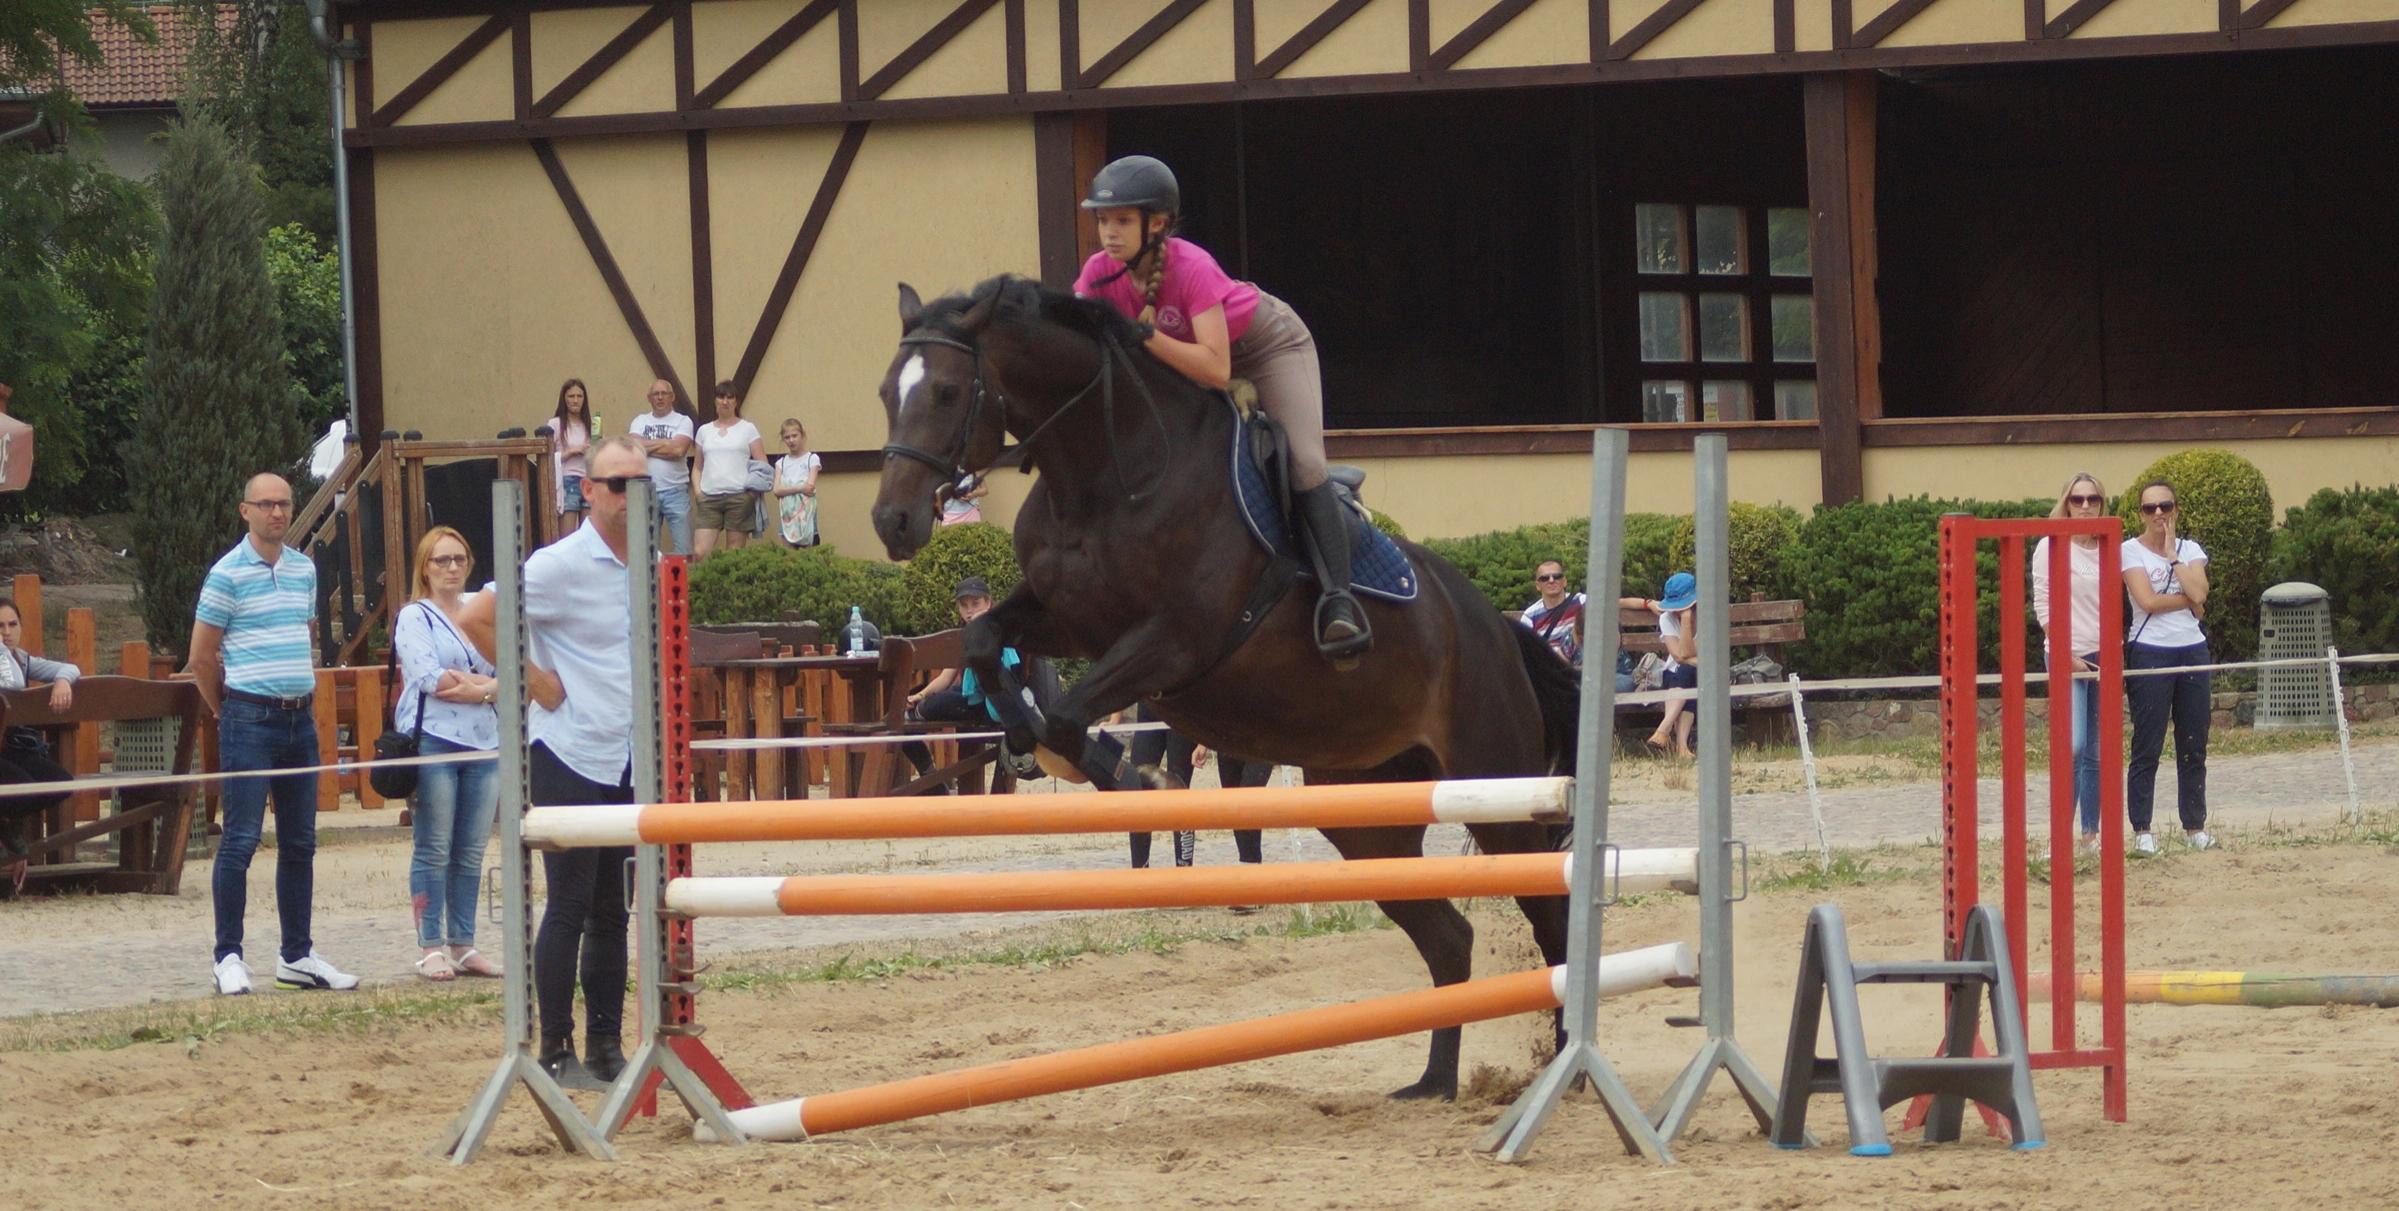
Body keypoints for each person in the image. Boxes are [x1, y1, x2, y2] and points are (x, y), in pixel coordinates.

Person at [1074, 154, 1369, 667]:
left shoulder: (1191, 265)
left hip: (1268, 347)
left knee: (1303, 462)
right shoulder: (1098, 272)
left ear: (1157, 223)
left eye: (1121, 220)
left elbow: (1214, 368)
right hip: (1179, 360)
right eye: (1102, 220)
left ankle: (1338, 603)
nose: (1108, 233)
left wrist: (1143, 336)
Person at [461, 435, 646, 1088]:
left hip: (626, 756)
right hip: (566, 750)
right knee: (568, 902)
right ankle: (555, 1048)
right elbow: (477, 617)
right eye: (618, 484)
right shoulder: (559, 563)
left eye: (641, 484)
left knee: (613, 909)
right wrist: (534, 679)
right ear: (588, 491)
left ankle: (606, 1046)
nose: (630, 496)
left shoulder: (650, 562)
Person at [188, 473, 359, 995]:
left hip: (299, 718)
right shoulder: (226, 575)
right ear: (246, 511)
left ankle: (297, 955)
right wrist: (226, 709)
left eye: (284, 504)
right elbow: (201, 657)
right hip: (249, 716)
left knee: (300, 841)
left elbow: (302, 631)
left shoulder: (304, 569)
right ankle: (228, 956)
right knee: (241, 839)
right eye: (265, 504)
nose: (277, 513)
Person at [394, 527, 503, 981]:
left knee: (471, 848)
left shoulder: (482, 609)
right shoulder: (414, 616)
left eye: (459, 559)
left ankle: (464, 942)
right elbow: (428, 676)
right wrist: (486, 687)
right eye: (441, 560)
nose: (452, 568)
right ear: (425, 567)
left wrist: (480, 690)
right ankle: (430, 945)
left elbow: (511, 668)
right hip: (435, 739)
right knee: (434, 845)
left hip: (485, 741)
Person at [2122, 479, 2214, 855]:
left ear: (2176, 509)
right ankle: (2142, 828)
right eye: (2150, 508)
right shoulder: (2129, 550)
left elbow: (2202, 592)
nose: (2158, 513)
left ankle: (2194, 825)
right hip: (2151, 650)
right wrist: (2188, 601)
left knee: (2194, 742)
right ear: (2141, 514)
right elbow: (2146, 600)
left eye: (2165, 506)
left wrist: (2174, 557)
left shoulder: (2190, 549)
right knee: (2148, 742)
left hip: (2191, 649)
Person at [2032, 473, 2110, 851]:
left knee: (2096, 749)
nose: (2085, 506)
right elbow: (2043, 605)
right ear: (2065, 503)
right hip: (2065, 652)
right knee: (2073, 744)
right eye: (2077, 499)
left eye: (2092, 499)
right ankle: (2059, 835)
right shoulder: (2050, 546)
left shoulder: (2109, 544)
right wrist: (2066, 654)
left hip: (2103, 654)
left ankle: (2090, 834)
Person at [900, 577, 1015, 794]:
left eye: (976, 603)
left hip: (994, 703)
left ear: (988, 602)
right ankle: (932, 781)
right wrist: (920, 695)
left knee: (933, 705)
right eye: (964, 605)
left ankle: (915, 716)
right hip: (974, 697)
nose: (970, 611)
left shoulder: (1000, 628)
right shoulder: (961, 636)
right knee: (903, 716)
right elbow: (946, 677)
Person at [0, 597, 76, 897]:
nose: (7, 632)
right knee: (21, 787)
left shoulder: (22, 660)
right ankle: (8, 835)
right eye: (0, 626)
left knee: (60, 782)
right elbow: (11, 686)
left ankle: (7, 829)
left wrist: (62, 682)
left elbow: (70, 668)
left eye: (12, 624)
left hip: (12, 745)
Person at [1622, 572, 1699, 758]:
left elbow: (1689, 652)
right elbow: (1679, 655)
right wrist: (1685, 621)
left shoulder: (1709, 615)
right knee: (1686, 673)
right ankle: (1682, 747)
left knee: (1689, 672)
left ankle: (1663, 730)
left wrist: (1686, 621)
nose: (1676, 610)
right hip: (1678, 672)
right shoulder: (1666, 618)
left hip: (1703, 673)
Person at [691, 381, 765, 559]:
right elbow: (697, 467)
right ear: (715, 401)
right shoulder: (704, 431)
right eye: (721, 397)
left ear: (736, 402)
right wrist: (698, 493)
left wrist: (751, 495)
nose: (725, 401)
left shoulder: (748, 429)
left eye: (730, 397)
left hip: (739, 498)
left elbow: (762, 465)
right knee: (700, 552)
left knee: (734, 555)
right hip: (709, 498)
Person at [633, 379, 695, 555]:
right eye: (656, 394)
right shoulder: (640, 421)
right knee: (647, 551)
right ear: (649, 398)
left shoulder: (683, 421)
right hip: (646, 491)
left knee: (684, 549)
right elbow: (633, 448)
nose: (660, 397)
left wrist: (646, 447)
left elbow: (678, 450)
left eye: (664, 394)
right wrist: (666, 443)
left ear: (672, 397)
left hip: (676, 491)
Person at [1519, 560, 1586, 669]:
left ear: (1564, 581)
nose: (1551, 580)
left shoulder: (1581, 601)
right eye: (1544, 578)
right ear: (1538, 585)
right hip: (1549, 669)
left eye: (1557, 577)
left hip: (1581, 665)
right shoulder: (1530, 616)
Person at [771, 418, 821, 548]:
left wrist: (787, 489)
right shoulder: (781, 463)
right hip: (787, 515)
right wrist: (800, 488)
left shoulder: (812, 459)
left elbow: (809, 487)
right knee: (788, 553)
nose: (791, 440)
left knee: (809, 551)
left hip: (806, 515)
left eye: (794, 436)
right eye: (787, 437)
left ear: (802, 435)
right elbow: (776, 490)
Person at [550, 378, 592, 527]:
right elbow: (547, 458)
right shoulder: (555, 424)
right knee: (568, 534)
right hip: (567, 479)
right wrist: (572, 451)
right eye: (571, 396)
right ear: (564, 399)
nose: (575, 400)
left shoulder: (590, 424)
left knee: (588, 532)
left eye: (579, 396)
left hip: (588, 480)